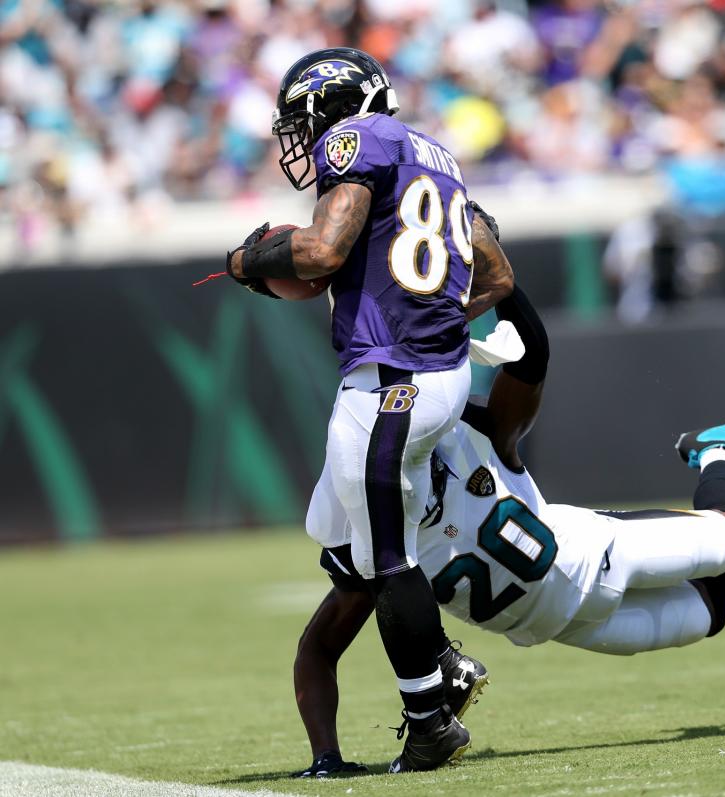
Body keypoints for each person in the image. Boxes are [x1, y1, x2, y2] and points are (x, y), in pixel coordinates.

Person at [293, 284, 725, 777]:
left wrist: (504, 285)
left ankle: (718, 454)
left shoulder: (471, 432)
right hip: (558, 624)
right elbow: (319, 648)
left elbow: (530, 359)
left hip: (595, 553)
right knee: (708, 615)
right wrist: (327, 759)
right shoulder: (362, 511)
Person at [223, 48, 514, 772]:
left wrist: (247, 262)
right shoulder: (437, 153)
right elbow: (498, 272)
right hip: (430, 373)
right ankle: (434, 668)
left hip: (392, 379)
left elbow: (322, 250)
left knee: (388, 557)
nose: (302, 135)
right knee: (347, 543)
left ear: (335, 103)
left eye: (304, 117)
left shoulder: (355, 139)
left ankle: (430, 713)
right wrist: (444, 324)